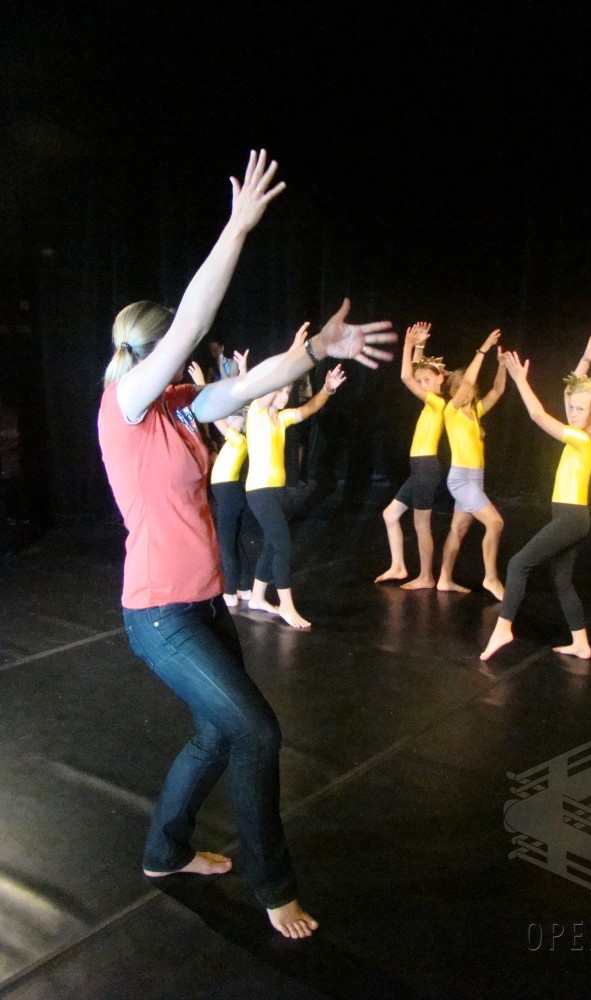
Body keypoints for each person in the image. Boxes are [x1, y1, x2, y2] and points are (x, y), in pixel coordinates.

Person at [97, 149, 396, 939]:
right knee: (257, 732)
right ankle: (273, 885)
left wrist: (314, 353)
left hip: (204, 604)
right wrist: (235, 229)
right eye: (177, 347)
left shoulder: (182, 404)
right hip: (159, 615)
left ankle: (165, 851)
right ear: (154, 350)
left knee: (216, 733)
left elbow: (251, 383)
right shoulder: (126, 405)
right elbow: (193, 324)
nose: (193, 356)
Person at [480, 334, 591, 662]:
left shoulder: (583, 439)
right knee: (562, 580)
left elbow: (537, 416)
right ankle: (581, 643)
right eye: (572, 407)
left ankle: (503, 629)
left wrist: (520, 380)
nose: (573, 412)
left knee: (517, 564)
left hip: (572, 517)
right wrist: (585, 359)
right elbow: (569, 392)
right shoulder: (580, 432)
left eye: (580, 409)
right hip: (570, 516)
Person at [245, 324, 347, 629]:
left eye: (288, 391)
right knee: (283, 545)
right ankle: (287, 606)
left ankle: (256, 597)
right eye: (282, 390)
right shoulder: (257, 414)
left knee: (272, 544)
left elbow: (311, 407)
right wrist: (294, 352)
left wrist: (327, 389)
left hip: (277, 492)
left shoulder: (282, 419)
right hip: (259, 492)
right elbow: (276, 380)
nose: (286, 394)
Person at [375, 321, 447, 589]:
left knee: (421, 522)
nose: (423, 385)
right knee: (390, 515)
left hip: (426, 468)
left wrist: (407, 346)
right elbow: (414, 374)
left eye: (428, 380)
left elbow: (407, 377)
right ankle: (398, 566)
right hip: (419, 469)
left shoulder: (438, 402)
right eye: (421, 382)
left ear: (441, 379)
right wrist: (420, 346)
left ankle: (426, 576)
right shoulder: (430, 404)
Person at [436, 329, 506, 600]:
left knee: (459, 528)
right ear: (454, 391)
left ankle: (444, 580)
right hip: (461, 479)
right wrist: (483, 349)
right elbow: (467, 382)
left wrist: (501, 366)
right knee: (495, 523)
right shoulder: (451, 412)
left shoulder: (475, 412)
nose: (470, 390)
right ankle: (491, 578)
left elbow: (498, 390)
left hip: (476, 478)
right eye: (464, 387)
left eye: (472, 387)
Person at [188, 354, 257, 609]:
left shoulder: (239, 439)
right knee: (235, 542)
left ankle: (229, 591)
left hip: (229, 496)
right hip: (231, 495)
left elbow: (215, 415)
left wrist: (202, 384)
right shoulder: (236, 442)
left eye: (234, 417)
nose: (229, 418)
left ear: (241, 423)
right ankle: (245, 587)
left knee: (226, 544)